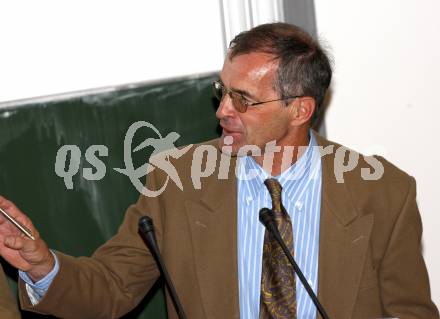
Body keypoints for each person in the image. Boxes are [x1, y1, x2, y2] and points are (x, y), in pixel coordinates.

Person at [0, 22, 438, 319]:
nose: (224, 110)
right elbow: (113, 287)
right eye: (222, 91)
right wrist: (42, 267)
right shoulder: (178, 179)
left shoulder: (382, 193)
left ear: (300, 109)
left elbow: (407, 312)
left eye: (243, 99)